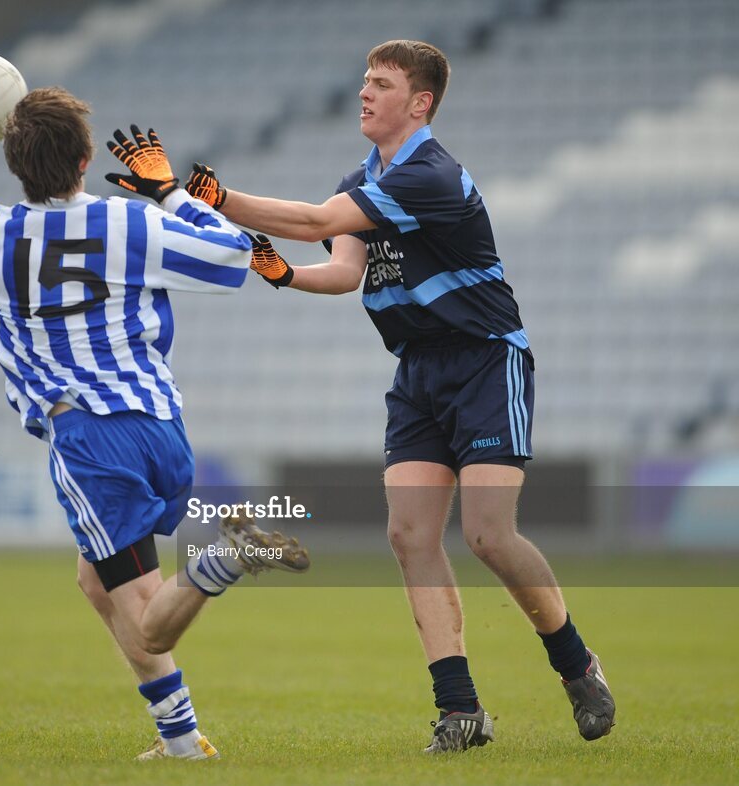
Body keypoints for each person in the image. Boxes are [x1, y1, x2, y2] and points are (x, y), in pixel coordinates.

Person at [170, 40, 616, 752]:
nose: (364, 94)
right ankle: (460, 711)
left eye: (381, 84)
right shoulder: (365, 176)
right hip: (418, 371)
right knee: (410, 536)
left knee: (488, 536)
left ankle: (575, 664)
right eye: (364, 82)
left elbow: (318, 222)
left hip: (483, 363)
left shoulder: (432, 175)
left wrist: (216, 197)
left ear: (420, 102)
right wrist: (281, 274)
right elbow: (343, 270)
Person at [0, 73, 309, 761]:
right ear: (88, 160)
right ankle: (180, 740)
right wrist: (169, 192)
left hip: (93, 442)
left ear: (10, 162)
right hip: (162, 429)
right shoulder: (129, 223)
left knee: (151, 625)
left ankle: (223, 559)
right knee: (96, 580)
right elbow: (234, 253)